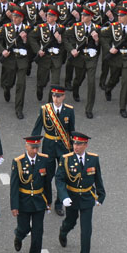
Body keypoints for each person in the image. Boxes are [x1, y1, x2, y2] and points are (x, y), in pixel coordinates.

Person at [56, 132, 106, 253]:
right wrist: (64, 196)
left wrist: (101, 196)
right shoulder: (66, 159)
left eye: (79, 144)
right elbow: (59, 179)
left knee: (86, 231)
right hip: (72, 197)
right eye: (74, 143)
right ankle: (63, 231)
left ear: (85, 145)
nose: (76, 146)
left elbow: (97, 178)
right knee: (71, 221)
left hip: (87, 198)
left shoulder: (93, 159)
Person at [10, 136, 53, 253]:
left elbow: (47, 183)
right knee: (23, 228)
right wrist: (14, 206)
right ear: (26, 146)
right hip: (24, 201)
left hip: (39, 201)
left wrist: (49, 201)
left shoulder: (44, 160)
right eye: (32, 148)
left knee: (38, 231)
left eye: (37, 148)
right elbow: (14, 186)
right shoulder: (18, 162)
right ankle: (19, 235)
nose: (35, 150)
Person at [31, 85, 74, 216]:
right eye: (54, 96)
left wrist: (73, 147)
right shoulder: (45, 109)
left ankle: (59, 203)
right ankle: (47, 200)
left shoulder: (69, 110)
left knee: (63, 175)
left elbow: (71, 130)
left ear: (63, 97)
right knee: (47, 175)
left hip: (63, 146)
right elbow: (37, 127)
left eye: (58, 96)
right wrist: (33, 145)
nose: (56, 98)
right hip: (49, 146)